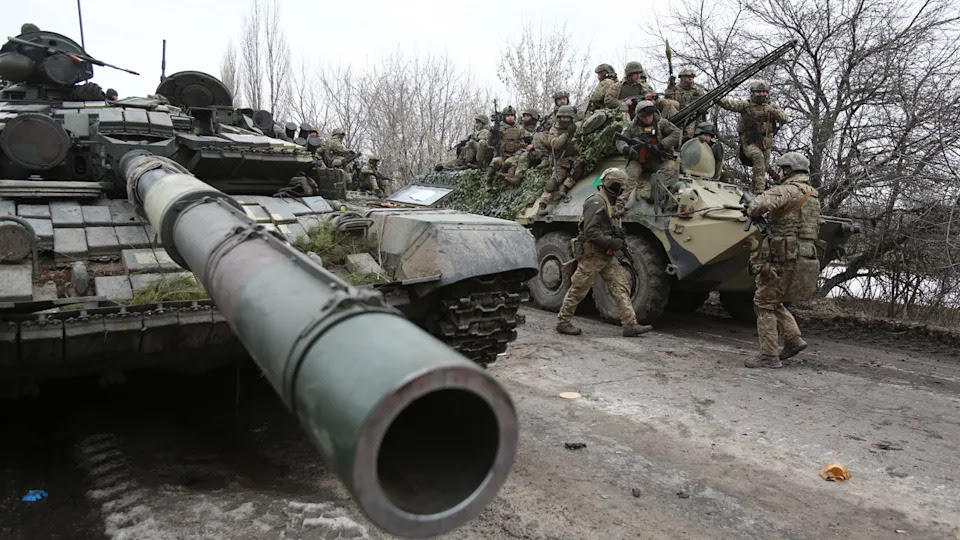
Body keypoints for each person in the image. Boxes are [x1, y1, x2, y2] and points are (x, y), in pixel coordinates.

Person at [556, 168, 653, 337]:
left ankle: (630, 324)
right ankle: (563, 322)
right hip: (592, 255)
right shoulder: (596, 202)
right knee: (578, 289)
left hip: (606, 256)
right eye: (620, 187)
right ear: (612, 185)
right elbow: (591, 231)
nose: (622, 191)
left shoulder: (608, 203)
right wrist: (612, 242)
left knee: (621, 286)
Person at [744, 152, 820, 368]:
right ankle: (793, 339)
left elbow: (756, 206)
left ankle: (769, 356)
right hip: (803, 255)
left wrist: (753, 204)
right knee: (772, 299)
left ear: (788, 171)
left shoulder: (787, 190)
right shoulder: (812, 194)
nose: (778, 173)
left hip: (783, 256)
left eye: (781, 169)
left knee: (763, 303)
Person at [717, 80, 789, 193]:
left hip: (766, 144)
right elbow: (729, 104)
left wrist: (773, 112)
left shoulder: (771, 106)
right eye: (758, 92)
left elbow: (785, 118)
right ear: (753, 92)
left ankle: (764, 187)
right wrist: (717, 97)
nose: (761, 94)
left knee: (763, 168)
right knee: (758, 158)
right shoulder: (746, 105)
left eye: (764, 92)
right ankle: (759, 192)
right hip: (749, 143)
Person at [612, 100, 681, 215]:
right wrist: (627, 149)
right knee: (630, 177)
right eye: (645, 116)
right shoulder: (632, 127)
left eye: (650, 115)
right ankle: (620, 205)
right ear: (639, 116)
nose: (648, 118)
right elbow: (620, 140)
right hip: (638, 159)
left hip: (658, 160)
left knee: (671, 167)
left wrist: (661, 145)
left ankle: (656, 196)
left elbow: (676, 133)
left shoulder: (661, 123)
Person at [535, 105, 580, 215]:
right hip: (561, 159)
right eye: (562, 118)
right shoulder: (554, 129)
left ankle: (564, 188)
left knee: (579, 170)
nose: (564, 120)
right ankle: (542, 206)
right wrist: (567, 134)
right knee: (552, 183)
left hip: (575, 157)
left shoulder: (577, 126)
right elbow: (555, 144)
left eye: (567, 118)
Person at [485, 106, 530, 189]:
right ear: (504, 117)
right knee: (494, 163)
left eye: (512, 115)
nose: (510, 117)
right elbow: (490, 143)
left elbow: (528, 137)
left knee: (511, 164)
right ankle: (488, 183)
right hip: (502, 155)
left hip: (515, 155)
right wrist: (492, 134)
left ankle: (507, 177)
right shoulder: (499, 128)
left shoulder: (519, 128)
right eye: (508, 116)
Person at [668, 67, 706, 134]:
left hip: (692, 117)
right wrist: (670, 86)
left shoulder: (697, 90)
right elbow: (667, 99)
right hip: (677, 117)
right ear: (682, 77)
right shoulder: (675, 89)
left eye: (692, 77)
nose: (690, 78)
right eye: (687, 76)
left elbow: (705, 99)